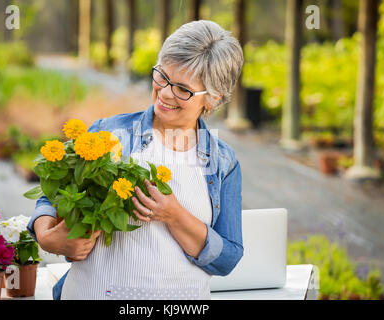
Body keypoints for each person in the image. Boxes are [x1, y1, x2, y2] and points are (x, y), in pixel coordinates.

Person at [27, 20, 244, 300]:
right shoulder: (109, 133)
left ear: (213, 99)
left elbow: (227, 259)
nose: (165, 93)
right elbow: (51, 197)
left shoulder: (223, 161)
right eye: (161, 77)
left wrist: (173, 214)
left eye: (182, 89)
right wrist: (46, 237)